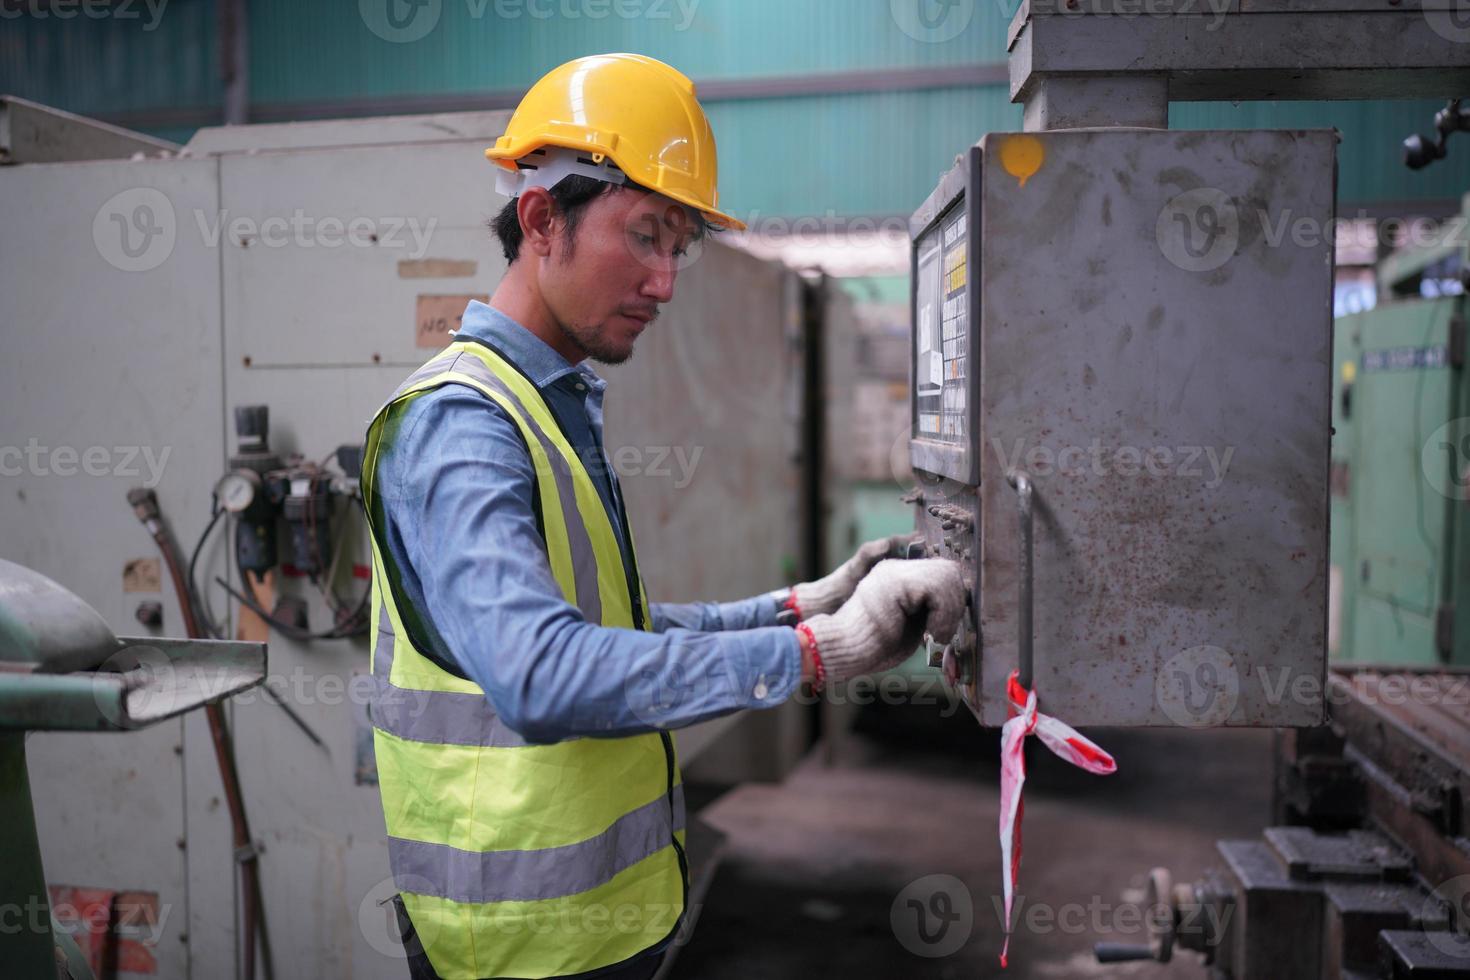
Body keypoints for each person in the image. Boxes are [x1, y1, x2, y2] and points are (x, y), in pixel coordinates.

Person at [359, 52, 967, 980]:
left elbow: (608, 635)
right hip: (518, 952)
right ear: (540, 219)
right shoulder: (463, 424)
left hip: (589, 936)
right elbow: (541, 675)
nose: (666, 282)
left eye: (677, 246)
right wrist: (824, 653)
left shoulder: (553, 400)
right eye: (644, 235)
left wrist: (808, 605)